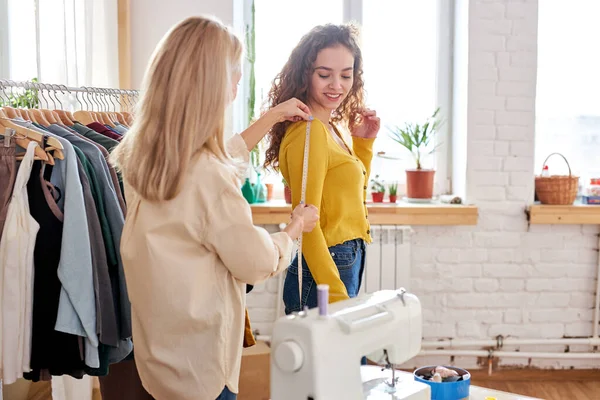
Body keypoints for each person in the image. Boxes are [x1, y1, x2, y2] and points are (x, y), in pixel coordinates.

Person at [110, 16, 319, 400]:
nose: (238, 86)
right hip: (203, 370)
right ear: (210, 87)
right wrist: (292, 230)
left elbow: (220, 163)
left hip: (161, 359)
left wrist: (270, 118)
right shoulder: (208, 178)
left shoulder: (141, 156)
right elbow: (255, 262)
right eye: (234, 76)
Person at [264, 23, 381, 314]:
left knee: (339, 358)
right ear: (306, 75)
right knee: (333, 356)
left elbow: (350, 196)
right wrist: (338, 299)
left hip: (343, 258)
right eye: (324, 74)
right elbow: (308, 223)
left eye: (346, 74)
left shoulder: (328, 129)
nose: (337, 85)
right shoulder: (310, 131)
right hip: (326, 263)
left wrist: (362, 144)